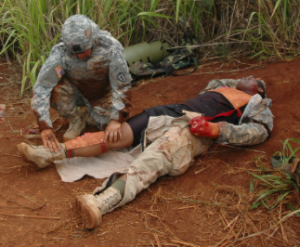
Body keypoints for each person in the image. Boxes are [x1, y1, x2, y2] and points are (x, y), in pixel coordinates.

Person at [18, 76, 273, 229]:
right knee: (112, 137)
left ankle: (102, 202)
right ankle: (50, 154)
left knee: (155, 158)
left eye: (255, 80)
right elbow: (221, 83)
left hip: (196, 128)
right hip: (170, 111)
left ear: (259, 91)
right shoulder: (220, 86)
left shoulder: (258, 105)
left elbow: (260, 131)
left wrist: (217, 130)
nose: (249, 77)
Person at [31, 14, 132, 154]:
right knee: (54, 89)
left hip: (102, 94)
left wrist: (116, 119)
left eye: (83, 51)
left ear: (93, 39)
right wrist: (44, 126)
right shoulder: (61, 53)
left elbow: (122, 86)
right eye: (74, 52)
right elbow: (41, 88)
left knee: (112, 129)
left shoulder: (111, 48)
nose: (79, 56)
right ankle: (76, 120)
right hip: (76, 92)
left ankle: (90, 114)